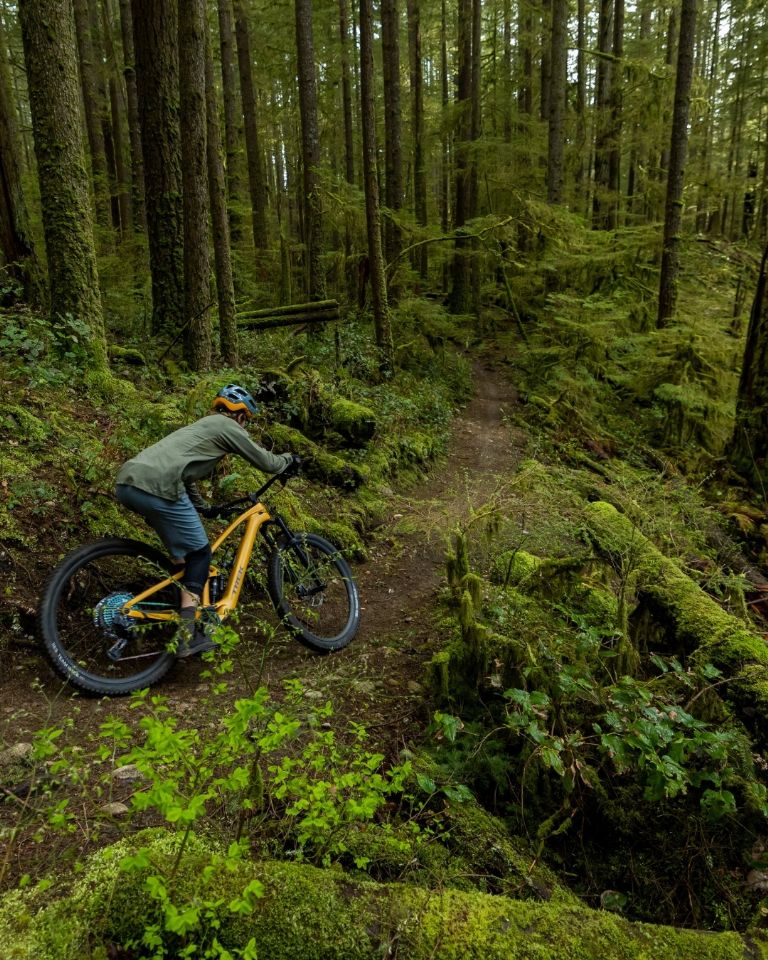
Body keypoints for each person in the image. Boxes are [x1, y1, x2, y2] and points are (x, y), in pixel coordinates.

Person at [115, 383, 297, 657]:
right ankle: (188, 633)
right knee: (200, 552)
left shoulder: (200, 428)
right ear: (239, 415)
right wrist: (288, 460)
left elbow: (185, 475)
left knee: (183, 561)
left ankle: (177, 609)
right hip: (158, 486)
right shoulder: (226, 426)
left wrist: (204, 508)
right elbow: (266, 462)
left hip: (130, 483)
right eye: (246, 420)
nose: (245, 426)